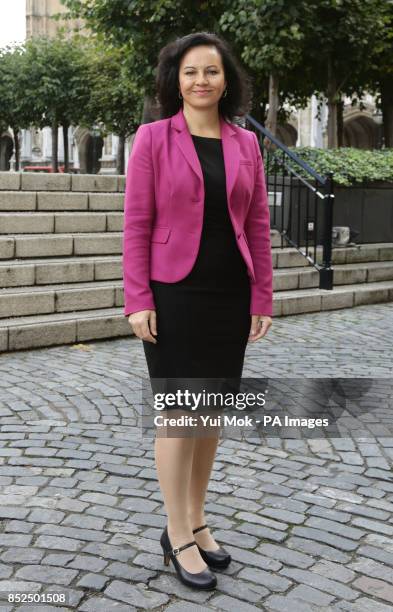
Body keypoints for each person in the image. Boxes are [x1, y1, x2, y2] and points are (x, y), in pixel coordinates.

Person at [122, 32, 273, 590]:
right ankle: (176, 532)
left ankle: (198, 520)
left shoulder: (245, 144)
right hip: (172, 294)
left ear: (226, 80)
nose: (201, 81)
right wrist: (137, 298)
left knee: (210, 415)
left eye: (211, 72)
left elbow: (257, 226)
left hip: (229, 293)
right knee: (179, 414)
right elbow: (136, 224)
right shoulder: (155, 138)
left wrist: (262, 297)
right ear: (174, 80)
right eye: (190, 72)